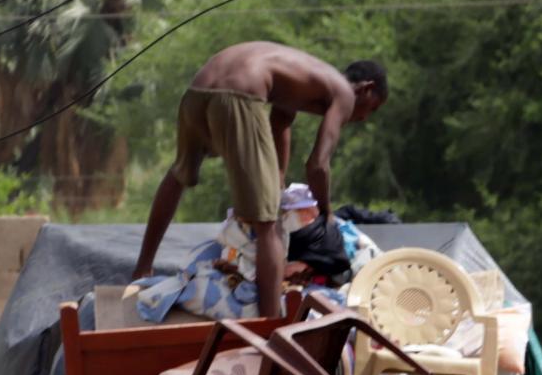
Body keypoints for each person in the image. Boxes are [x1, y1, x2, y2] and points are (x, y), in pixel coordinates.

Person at [132, 43, 389, 303]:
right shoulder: (344, 93)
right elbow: (317, 165)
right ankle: (270, 323)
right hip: (238, 94)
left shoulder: (305, 78)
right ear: (366, 89)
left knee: (180, 172)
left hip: (198, 90)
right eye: (373, 108)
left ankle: (142, 268)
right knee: (268, 222)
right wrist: (326, 211)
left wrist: (277, 179)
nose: (365, 117)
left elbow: (280, 124)